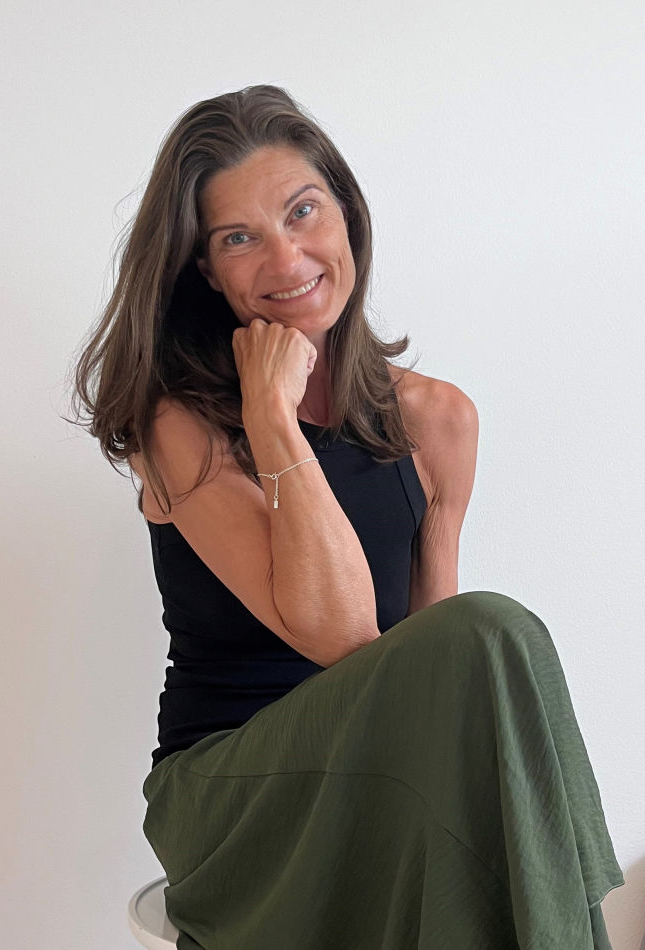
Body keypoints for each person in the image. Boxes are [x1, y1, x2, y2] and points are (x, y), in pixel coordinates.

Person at [72, 84, 624, 949]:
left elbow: (437, 671)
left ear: (347, 216)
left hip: (384, 781)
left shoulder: (438, 419)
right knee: (494, 629)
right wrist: (270, 416)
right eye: (239, 239)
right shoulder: (177, 423)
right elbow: (341, 635)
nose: (286, 258)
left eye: (303, 212)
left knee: (486, 657)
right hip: (232, 801)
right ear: (206, 272)